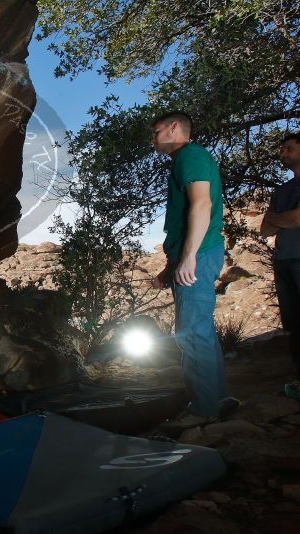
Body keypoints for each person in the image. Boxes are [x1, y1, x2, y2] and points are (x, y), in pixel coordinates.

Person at [150, 111, 238, 427]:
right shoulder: (188, 158)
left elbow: (202, 204)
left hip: (199, 254)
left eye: (157, 130)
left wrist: (189, 258)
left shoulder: (190, 155)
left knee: (189, 331)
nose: (153, 138)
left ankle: (203, 409)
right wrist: (171, 265)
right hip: (195, 254)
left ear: (175, 127)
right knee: (200, 328)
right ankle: (218, 399)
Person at [259, 132, 300, 400]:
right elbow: (264, 228)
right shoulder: (282, 190)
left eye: (288, 148)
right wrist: (284, 218)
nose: (282, 153)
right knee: (294, 324)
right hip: (283, 259)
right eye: (281, 149)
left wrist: (280, 218)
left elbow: (296, 218)